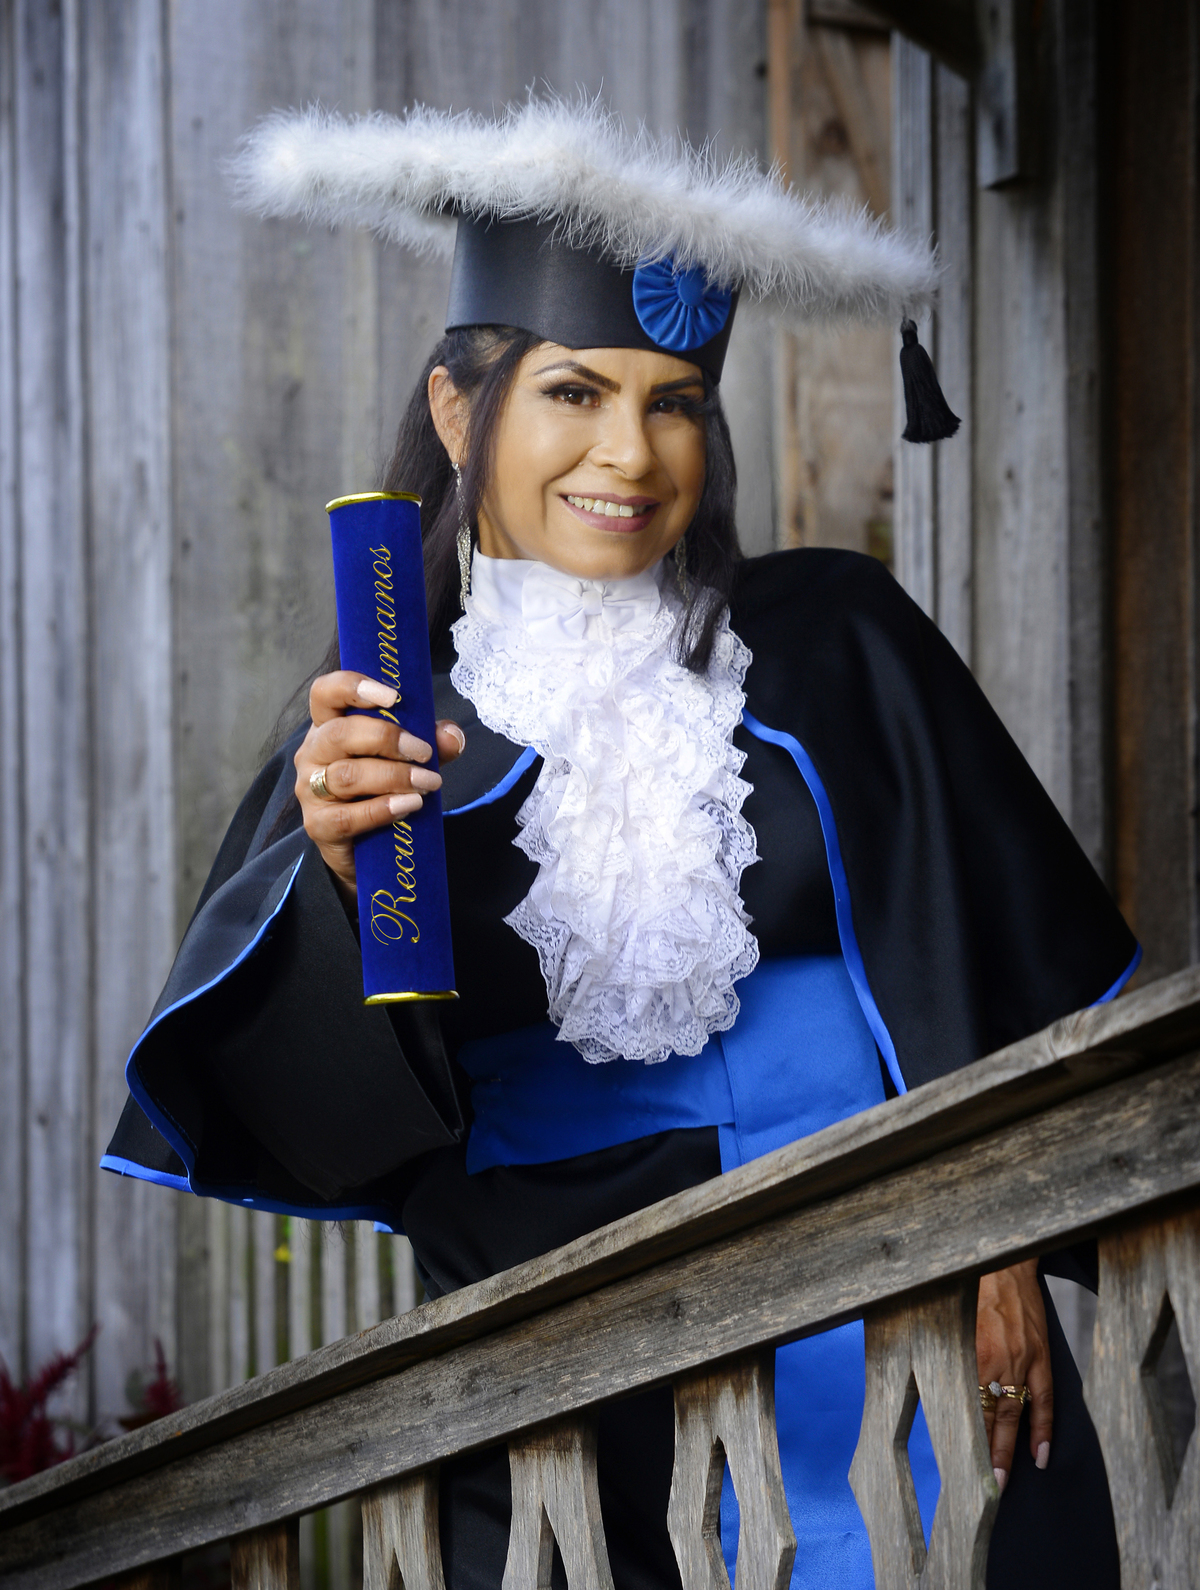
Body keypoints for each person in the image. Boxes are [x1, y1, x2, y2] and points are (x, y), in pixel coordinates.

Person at [103, 100, 1138, 1589]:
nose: (629, 454)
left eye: (672, 404)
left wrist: (1005, 1226)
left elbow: (1030, 993)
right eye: (575, 394)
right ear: (464, 414)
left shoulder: (843, 639)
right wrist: (335, 878)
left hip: (905, 1334)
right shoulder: (389, 728)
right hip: (581, 1388)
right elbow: (327, 1112)